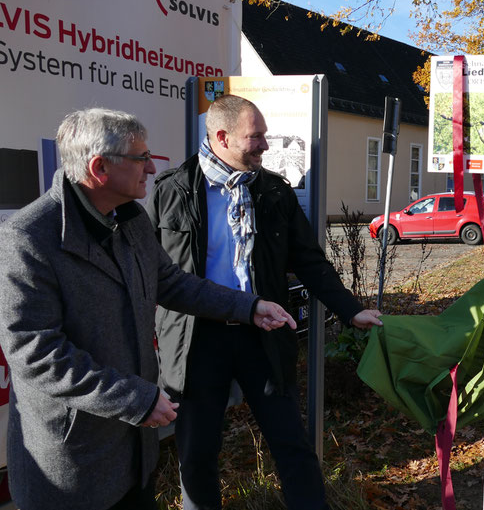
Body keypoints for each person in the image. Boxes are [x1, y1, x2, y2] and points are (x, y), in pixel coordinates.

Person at [0, 108, 297, 510]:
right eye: (140, 158)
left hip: (132, 454)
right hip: (71, 460)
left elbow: (171, 282)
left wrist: (249, 306)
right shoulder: (28, 239)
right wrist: (135, 400)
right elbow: (36, 354)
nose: (152, 168)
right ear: (99, 167)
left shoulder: (130, 218)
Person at [147, 94, 382, 510]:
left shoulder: (274, 192)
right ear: (221, 137)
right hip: (195, 341)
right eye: (255, 137)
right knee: (197, 453)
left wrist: (350, 308)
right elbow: (148, 271)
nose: (265, 146)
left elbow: (309, 261)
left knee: (292, 444)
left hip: (264, 336)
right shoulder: (173, 191)